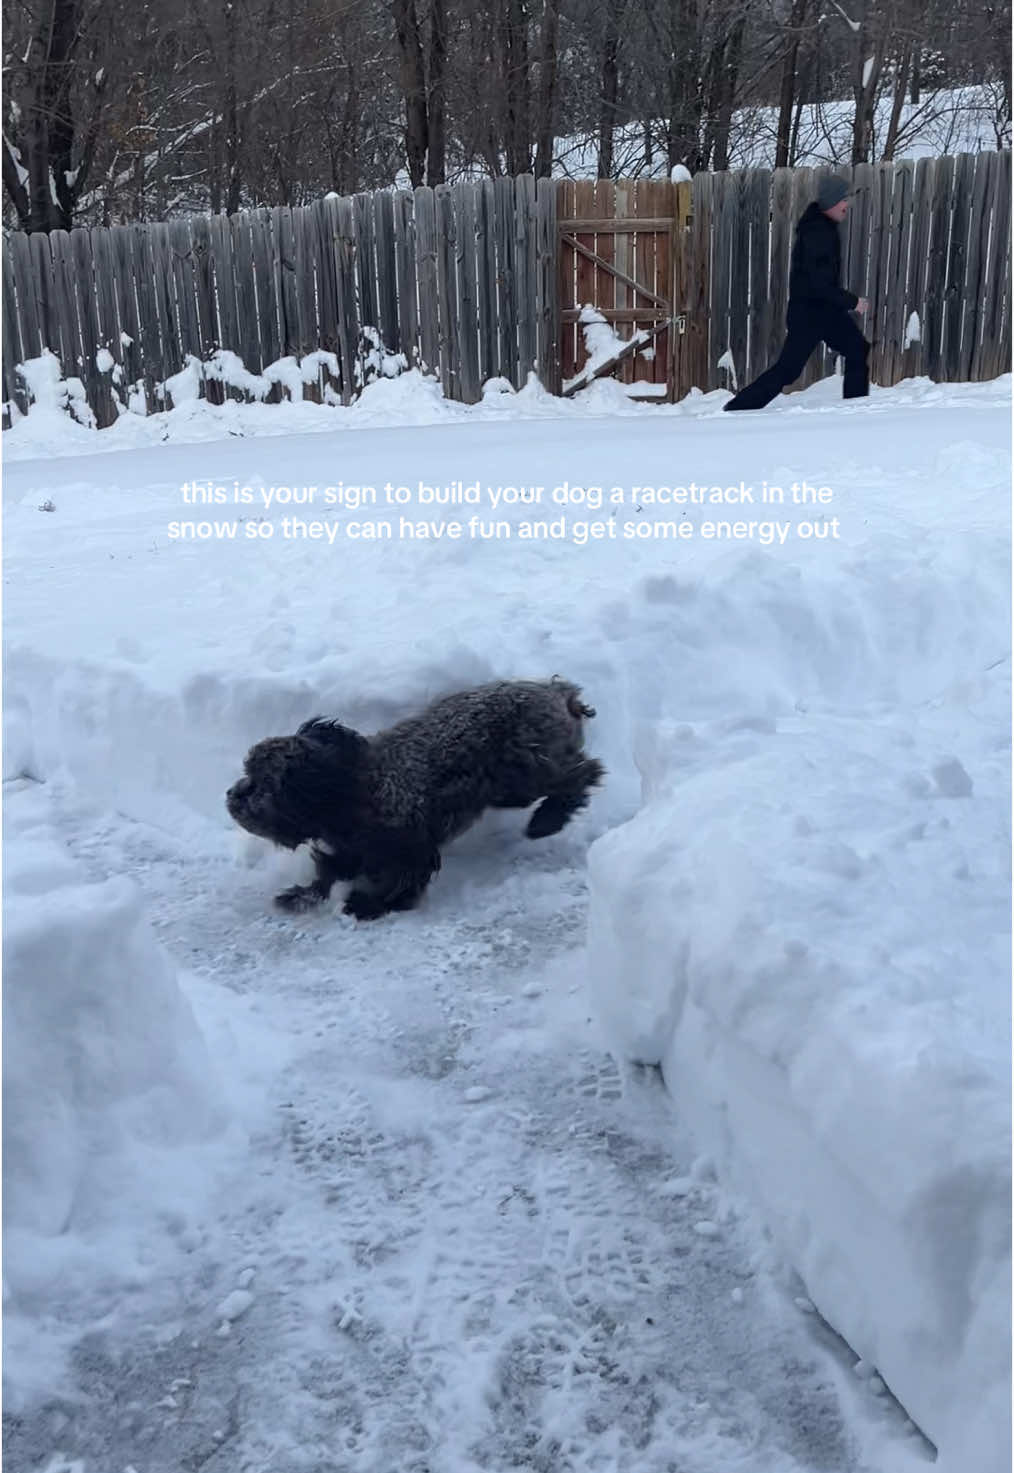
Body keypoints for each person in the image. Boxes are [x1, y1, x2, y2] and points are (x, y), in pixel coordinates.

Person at [723, 175, 870, 411]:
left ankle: (856, 409)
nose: (847, 205)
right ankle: (739, 407)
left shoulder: (825, 228)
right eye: (844, 200)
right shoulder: (817, 233)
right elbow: (818, 284)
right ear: (832, 201)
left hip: (825, 313)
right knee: (788, 369)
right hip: (809, 315)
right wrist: (852, 302)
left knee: (857, 348)